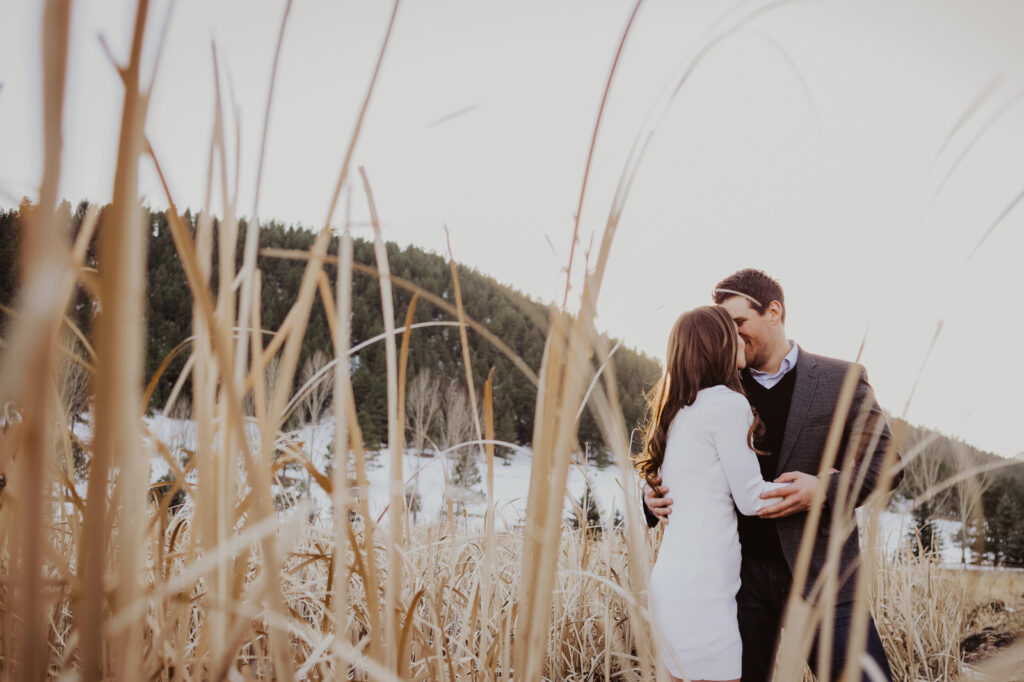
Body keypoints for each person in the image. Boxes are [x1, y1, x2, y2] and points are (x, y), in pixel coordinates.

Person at [643, 269, 901, 682]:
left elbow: (887, 462)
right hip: (736, 586)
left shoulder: (842, 379)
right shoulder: (717, 383)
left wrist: (824, 489)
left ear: (774, 311)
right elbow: (677, 453)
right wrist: (650, 495)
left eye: (738, 322)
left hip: (824, 575)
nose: (732, 334)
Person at [637, 304, 791, 682]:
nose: (740, 338)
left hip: (673, 580)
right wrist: (814, 488)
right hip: (703, 590)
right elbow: (752, 499)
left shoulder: (680, 412)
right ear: (717, 345)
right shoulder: (728, 404)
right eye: (732, 331)